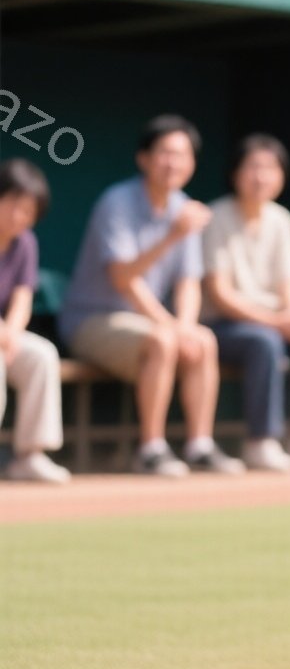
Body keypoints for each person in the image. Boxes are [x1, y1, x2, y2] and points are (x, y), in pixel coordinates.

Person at [59, 114, 242, 479]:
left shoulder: (184, 207)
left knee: (203, 339)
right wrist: (172, 237)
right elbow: (124, 279)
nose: (173, 162)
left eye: (182, 155)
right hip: (92, 319)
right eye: (164, 153)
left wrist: (186, 327)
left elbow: (188, 282)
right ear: (144, 158)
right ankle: (151, 449)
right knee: (163, 339)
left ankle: (199, 444)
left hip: (145, 321)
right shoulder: (117, 202)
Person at [202, 133, 290, 472]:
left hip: (270, 322)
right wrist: (277, 323)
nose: (260, 176)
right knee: (263, 341)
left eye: (270, 168)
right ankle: (260, 441)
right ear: (235, 173)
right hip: (222, 325)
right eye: (252, 167)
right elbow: (220, 295)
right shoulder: (214, 217)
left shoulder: (282, 219)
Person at [0, 159, 69, 484]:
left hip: (5, 335)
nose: (18, 216)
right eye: (12, 204)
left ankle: (30, 455)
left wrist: (11, 332)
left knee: (41, 354)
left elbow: (23, 297)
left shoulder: (26, 243)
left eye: (27, 210)